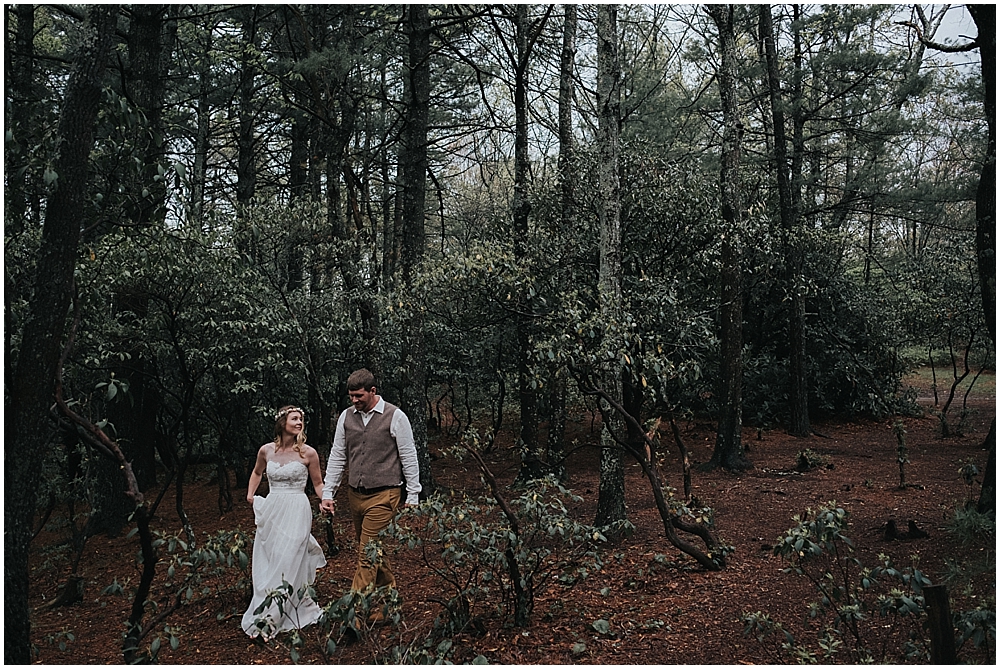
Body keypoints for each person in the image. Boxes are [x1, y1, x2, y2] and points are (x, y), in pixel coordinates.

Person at [320, 368, 421, 595]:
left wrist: (413, 494)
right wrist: (328, 493)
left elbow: (408, 456)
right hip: (356, 495)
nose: (354, 400)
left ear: (372, 391)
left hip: (385, 494)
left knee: (367, 554)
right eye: (351, 396)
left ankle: (354, 615)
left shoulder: (395, 416)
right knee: (374, 552)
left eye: (359, 396)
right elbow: (338, 454)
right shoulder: (346, 417)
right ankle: (389, 604)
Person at [241, 406, 326, 639]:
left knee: (291, 555)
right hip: (273, 507)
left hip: (297, 507)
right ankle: (270, 608)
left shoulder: (309, 453)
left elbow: (318, 483)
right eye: (295, 418)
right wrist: (251, 494)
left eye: (302, 419)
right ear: (282, 423)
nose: (300, 422)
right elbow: (257, 472)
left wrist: (325, 498)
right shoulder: (266, 451)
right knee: (273, 556)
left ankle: (274, 618)